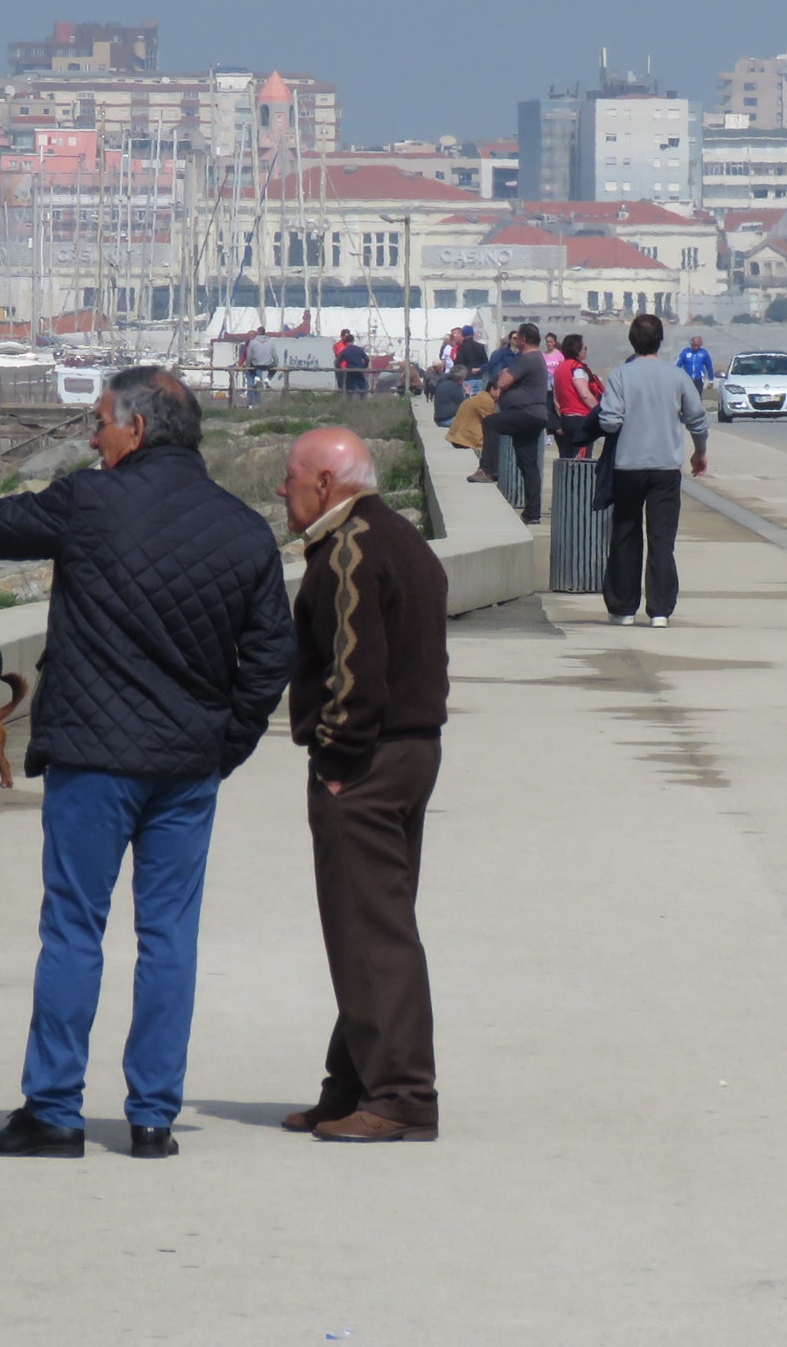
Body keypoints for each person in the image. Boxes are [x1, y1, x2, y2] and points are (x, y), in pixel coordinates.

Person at [0, 366, 295, 1160]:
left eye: (98, 422)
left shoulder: (91, 501)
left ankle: (55, 1110)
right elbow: (273, 655)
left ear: (135, 430)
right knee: (170, 937)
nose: (92, 437)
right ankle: (153, 1118)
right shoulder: (244, 529)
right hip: (186, 764)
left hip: (95, 760)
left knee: (74, 929)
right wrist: (225, 746)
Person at [277, 427, 450, 1142]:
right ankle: (350, 1085)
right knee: (369, 926)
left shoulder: (351, 547)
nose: (281, 489)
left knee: (373, 932)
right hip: (410, 752)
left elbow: (355, 672)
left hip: (370, 762)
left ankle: (402, 1096)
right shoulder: (399, 536)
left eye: (291, 477)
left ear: (325, 483)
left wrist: (337, 759)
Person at [598, 313, 707, 627]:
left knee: (625, 533)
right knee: (661, 539)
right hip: (665, 467)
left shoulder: (620, 375)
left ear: (631, 340)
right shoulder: (677, 376)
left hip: (628, 466)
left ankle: (623, 608)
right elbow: (697, 419)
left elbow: (610, 421)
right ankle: (660, 610)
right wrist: (700, 452)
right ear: (660, 341)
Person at [469, 323, 548, 524]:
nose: (515, 341)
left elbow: (503, 381)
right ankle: (532, 513)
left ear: (524, 340)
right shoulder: (536, 358)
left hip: (526, 413)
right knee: (528, 464)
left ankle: (488, 469)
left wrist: (503, 374)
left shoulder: (528, 358)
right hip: (534, 416)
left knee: (491, 423)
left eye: (517, 337)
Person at [550, 333, 603, 459]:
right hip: (581, 418)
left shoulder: (560, 368)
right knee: (582, 459)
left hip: (566, 419)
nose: (586, 350)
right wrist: (600, 410)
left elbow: (556, 395)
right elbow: (585, 394)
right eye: (584, 348)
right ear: (577, 349)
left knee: (568, 456)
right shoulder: (577, 368)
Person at [444, 382, 497, 450]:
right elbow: (493, 423)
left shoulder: (480, 397)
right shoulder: (486, 400)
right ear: (492, 389)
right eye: (502, 390)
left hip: (458, 436)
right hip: (464, 439)